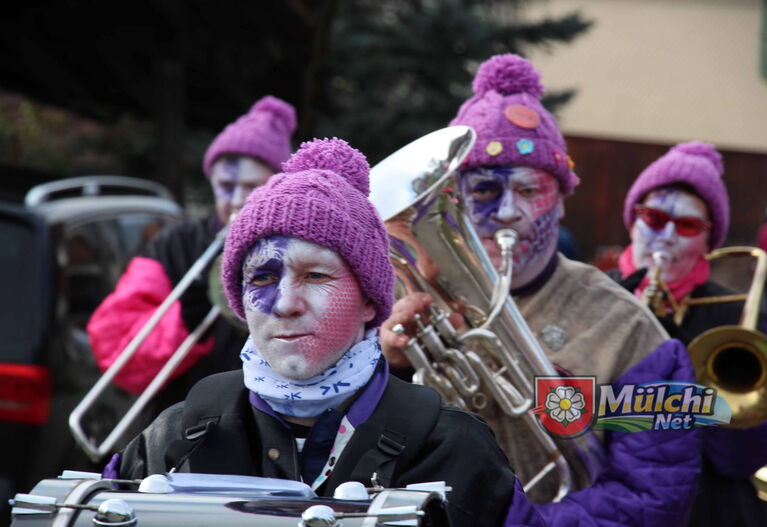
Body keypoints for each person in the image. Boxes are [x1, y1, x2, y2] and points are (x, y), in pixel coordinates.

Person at [103, 138, 547, 527]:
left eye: (315, 276)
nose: (283, 303)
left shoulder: (454, 450)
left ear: (370, 301)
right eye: (260, 279)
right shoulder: (172, 438)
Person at [380, 54, 702, 526]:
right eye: (486, 190)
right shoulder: (400, 305)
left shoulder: (633, 332)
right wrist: (391, 369)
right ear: (454, 199)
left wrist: (516, 519)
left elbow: (652, 497)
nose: (508, 211)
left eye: (530, 191)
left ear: (562, 202)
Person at [611, 142, 767, 527]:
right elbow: (565, 411)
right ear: (632, 221)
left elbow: (749, 456)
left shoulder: (736, 317)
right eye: (654, 218)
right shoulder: (594, 295)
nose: (667, 236)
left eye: (688, 225)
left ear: (708, 241)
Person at [87, 95, 296, 417]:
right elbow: (115, 350)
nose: (237, 200)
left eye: (253, 186)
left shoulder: (300, 246)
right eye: (226, 185)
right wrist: (185, 315)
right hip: (180, 427)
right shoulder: (174, 245)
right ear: (211, 181)